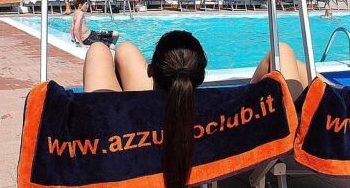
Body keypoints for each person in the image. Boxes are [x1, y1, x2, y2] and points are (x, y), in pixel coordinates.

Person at [82, 30, 308, 188]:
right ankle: (318, 98)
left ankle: (158, 89)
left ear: (151, 71)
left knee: (102, 49)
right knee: (283, 52)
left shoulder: (115, 120)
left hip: (127, 134)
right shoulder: (231, 113)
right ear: (202, 76)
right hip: (230, 130)